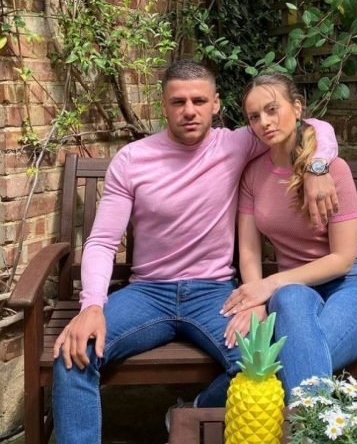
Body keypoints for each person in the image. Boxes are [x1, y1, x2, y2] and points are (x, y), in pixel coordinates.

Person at [51, 60, 340, 443]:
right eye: (178, 102)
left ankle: (194, 411)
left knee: (262, 364)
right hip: (147, 293)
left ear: (216, 104)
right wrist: (91, 306)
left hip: (214, 293)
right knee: (73, 353)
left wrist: (318, 168)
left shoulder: (236, 144)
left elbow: (314, 127)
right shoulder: (133, 159)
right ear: (164, 105)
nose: (189, 110)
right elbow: (103, 241)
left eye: (199, 101)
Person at [221, 73, 357, 402]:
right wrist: (256, 301)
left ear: (297, 108)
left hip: (349, 286)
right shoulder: (253, 174)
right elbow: (250, 251)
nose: (265, 122)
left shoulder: (332, 170)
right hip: (292, 292)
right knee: (291, 304)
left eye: (272, 109)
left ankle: (205, 403)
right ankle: (314, 426)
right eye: (254, 117)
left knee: (297, 355)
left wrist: (268, 285)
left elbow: (342, 259)